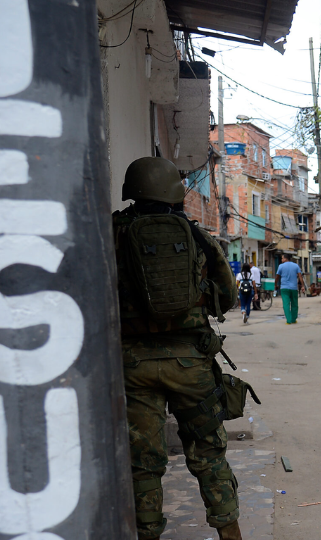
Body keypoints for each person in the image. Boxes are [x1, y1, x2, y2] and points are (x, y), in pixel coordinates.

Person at [113, 157, 242, 540]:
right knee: (209, 454)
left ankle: (148, 533)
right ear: (172, 191)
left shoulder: (111, 235)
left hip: (133, 365)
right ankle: (230, 535)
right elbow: (227, 299)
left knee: (144, 463)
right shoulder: (196, 237)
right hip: (191, 365)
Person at [275, 254, 302, 324]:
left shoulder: (281, 266)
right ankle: (294, 319)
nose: (281, 260)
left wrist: (275, 284)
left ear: (285, 259)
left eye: (282, 258)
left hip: (284, 288)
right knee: (294, 304)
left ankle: (288, 320)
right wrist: (302, 286)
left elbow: (277, 276)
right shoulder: (296, 266)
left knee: (286, 304)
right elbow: (300, 276)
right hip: (294, 288)